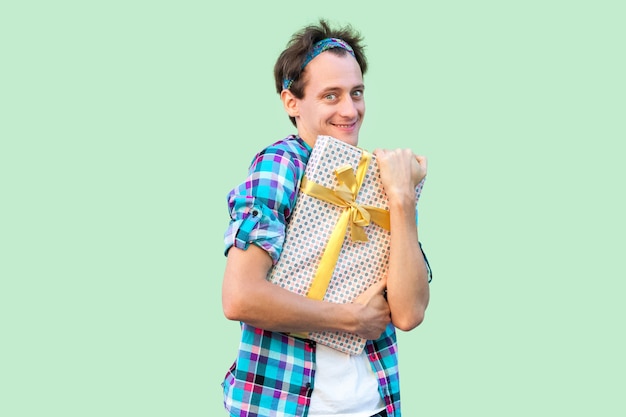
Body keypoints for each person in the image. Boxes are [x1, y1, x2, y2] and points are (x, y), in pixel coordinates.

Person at [221, 19, 432, 417]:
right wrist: (350, 319)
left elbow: (409, 312)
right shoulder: (280, 165)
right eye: (331, 96)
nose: (350, 110)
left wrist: (401, 198)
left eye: (357, 93)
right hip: (284, 404)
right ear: (292, 102)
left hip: (373, 405)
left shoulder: (381, 175)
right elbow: (239, 296)